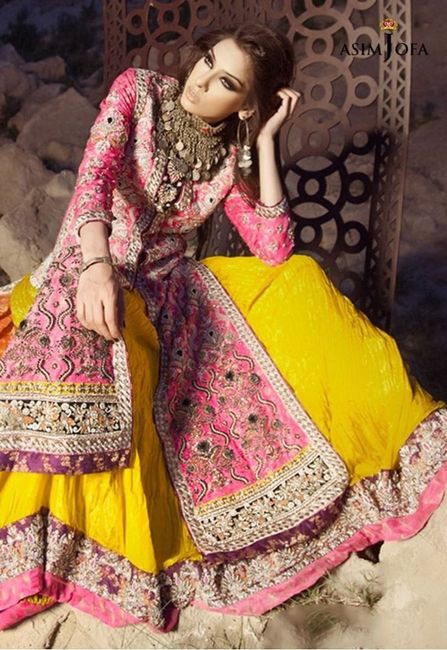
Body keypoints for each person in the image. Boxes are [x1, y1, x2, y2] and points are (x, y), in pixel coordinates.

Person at [0, 22, 446, 632]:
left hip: (172, 291)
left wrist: (264, 142)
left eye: (226, 83)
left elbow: (273, 246)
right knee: (107, 348)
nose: (200, 81)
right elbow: (93, 182)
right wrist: (97, 266)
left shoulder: (228, 156)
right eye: (208, 62)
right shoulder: (139, 93)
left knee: (299, 280)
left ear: (245, 105)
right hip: (91, 263)